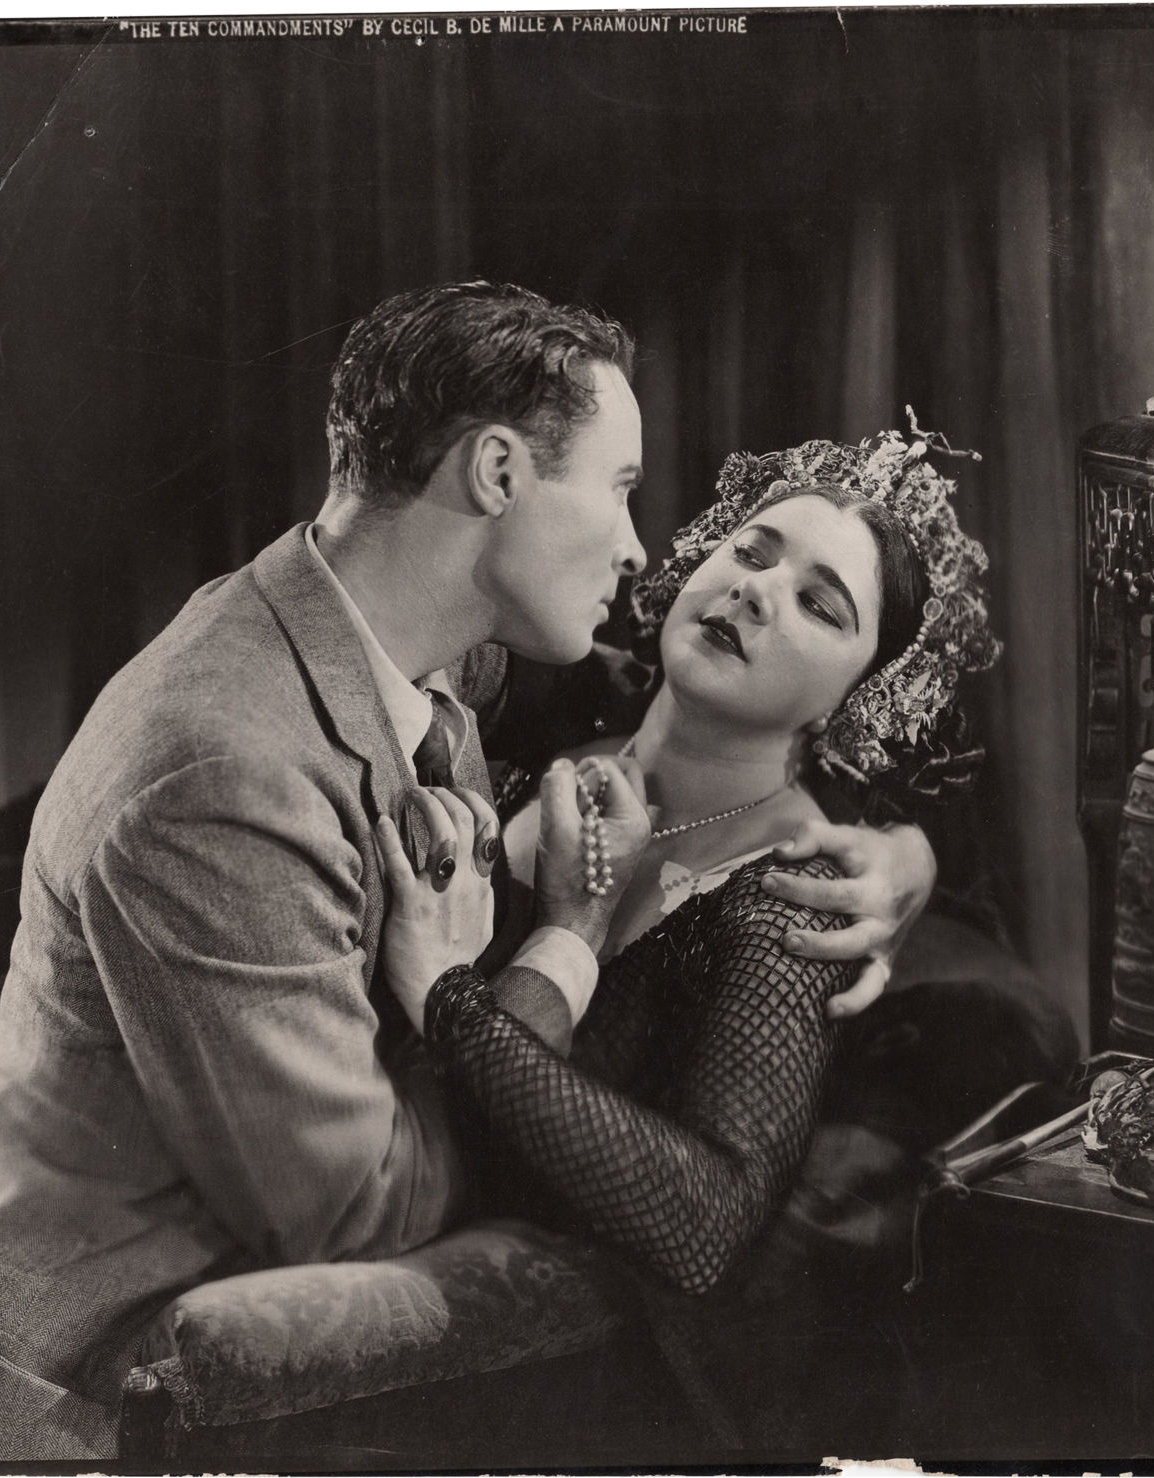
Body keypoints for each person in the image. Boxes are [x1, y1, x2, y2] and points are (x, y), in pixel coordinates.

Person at [0, 282, 934, 1463]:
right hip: (83, 1390)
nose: (642, 548)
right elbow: (355, 1212)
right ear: (499, 472)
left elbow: (705, 1214)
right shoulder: (266, 759)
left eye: (819, 604)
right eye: (626, 492)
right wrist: (561, 941)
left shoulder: (410, 632)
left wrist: (906, 858)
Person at [379, 423, 1000, 1296]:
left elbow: (705, 1228)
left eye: (821, 606)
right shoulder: (552, 710)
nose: (758, 591)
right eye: (751, 551)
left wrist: (448, 997)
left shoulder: (792, 892)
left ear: (856, 700)